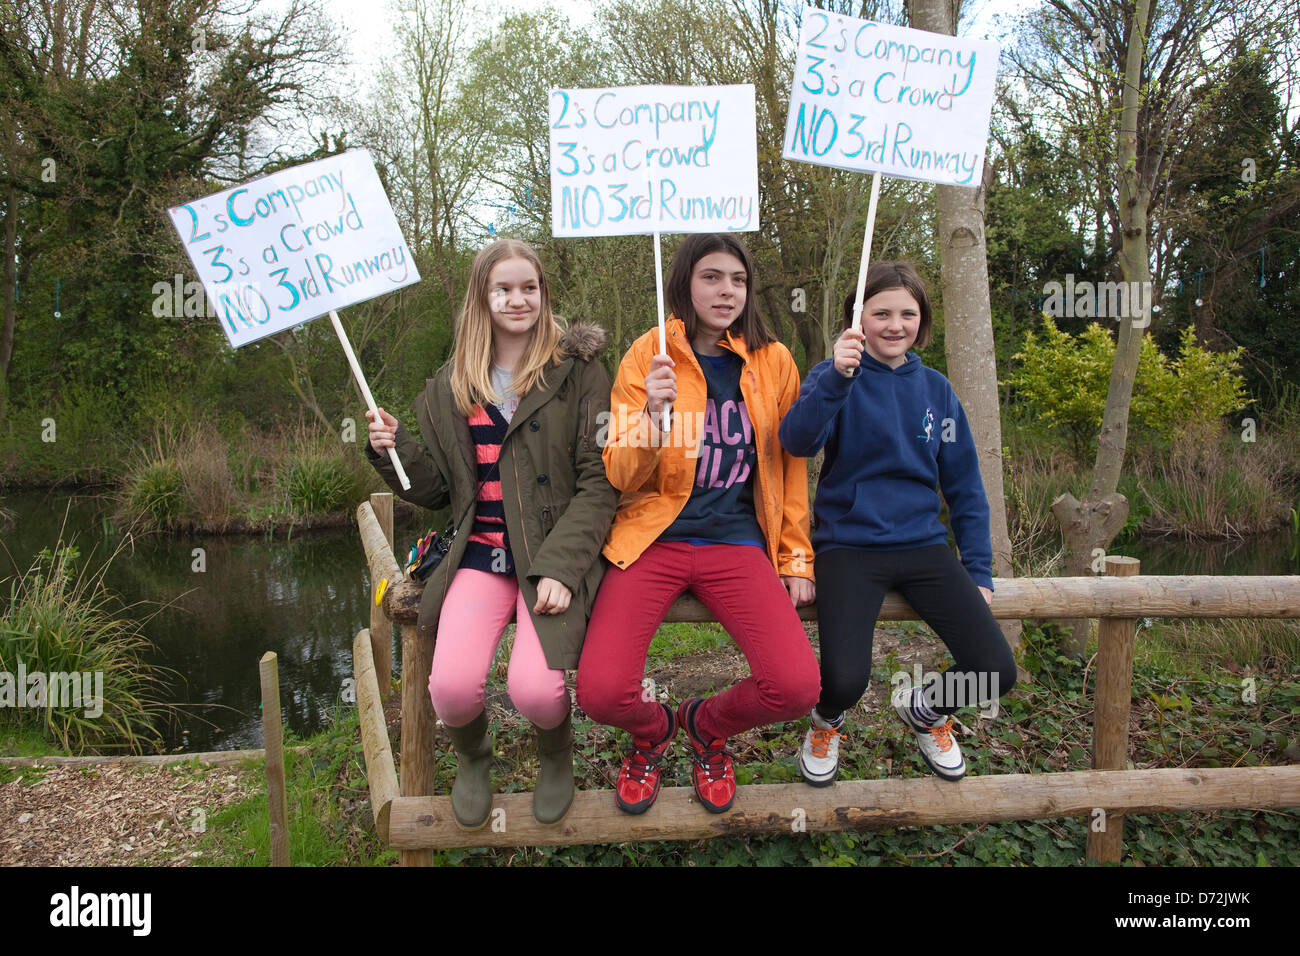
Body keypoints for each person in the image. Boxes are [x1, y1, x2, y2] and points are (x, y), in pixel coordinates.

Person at [365, 238, 617, 828]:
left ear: (543, 294)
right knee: (449, 687)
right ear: (482, 297)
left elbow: (600, 483)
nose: (517, 299)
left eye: (529, 287)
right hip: (479, 555)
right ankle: (474, 757)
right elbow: (437, 492)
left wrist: (562, 567)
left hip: (551, 556)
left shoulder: (578, 373)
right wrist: (391, 449)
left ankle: (556, 754)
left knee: (535, 689)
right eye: (503, 288)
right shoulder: (449, 386)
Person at [576, 233, 820, 816]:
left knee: (794, 686)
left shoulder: (774, 360)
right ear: (685, 281)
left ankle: (704, 727)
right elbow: (621, 472)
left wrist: (795, 558)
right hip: (653, 537)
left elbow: (789, 468)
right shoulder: (648, 353)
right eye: (711, 276)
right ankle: (653, 731)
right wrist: (653, 417)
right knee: (603, 694)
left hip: (736, 543)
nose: (726, 290)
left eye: (737, 279)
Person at [779, 260, 1016, 786]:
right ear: (857, 317)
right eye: (880, 312)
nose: (894, 324)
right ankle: (826, 721)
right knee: (844, 679)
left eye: (907, 313)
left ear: (921, 320)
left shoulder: (936, 390)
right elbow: (796, 441)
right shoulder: (833, 375)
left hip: (924, 547)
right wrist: (837, 381)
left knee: (995, 670)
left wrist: (978, 570)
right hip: (849, 547)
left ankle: (926, 710)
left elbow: (965, 488)